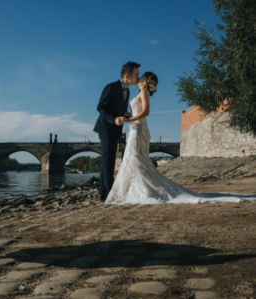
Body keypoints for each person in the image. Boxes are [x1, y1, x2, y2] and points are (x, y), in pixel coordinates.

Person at [105, 72, 255, 204]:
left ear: (145, 81)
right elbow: (137, 113)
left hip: (137, 128)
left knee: (135, 157)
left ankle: (136, 189)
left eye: (142, 77)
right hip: (134, 127)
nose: (139, 78)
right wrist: (127, 116)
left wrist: (131, 120)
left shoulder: (144, 92)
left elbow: (145, 112)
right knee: (134, 158)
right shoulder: (141, 92)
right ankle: (130, 188)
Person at [94, 61, 140, 200]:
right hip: (106, 127)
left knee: (108, 159)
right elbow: (101, 107)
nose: (137, 77)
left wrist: (127, 114)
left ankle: (103, 192)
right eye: (136, 75)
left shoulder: (128, 90)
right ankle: (108, 193)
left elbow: (118, 108)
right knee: (108, 160)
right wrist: (113, 119)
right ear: (127, 75)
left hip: (116, 128)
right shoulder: (111, 87)